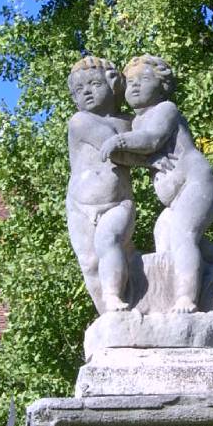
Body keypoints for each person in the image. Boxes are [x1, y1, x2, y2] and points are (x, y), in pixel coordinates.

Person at [101, 55, 213, 313]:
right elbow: (135, 154)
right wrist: (124, 153)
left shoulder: (165, 109)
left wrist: (118, 142)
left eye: (144, 79)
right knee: (165, 238)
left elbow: (151, 139)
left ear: (162, 86)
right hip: (174, 199)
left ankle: (186, 298)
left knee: (182, 235)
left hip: (196, 181)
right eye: (130, 81)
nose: (135, 85)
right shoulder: (136, 122)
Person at [66, 56, 135, 312]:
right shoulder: (80, 121)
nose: (86, 92)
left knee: (109, 240)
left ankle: (114, 296)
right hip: (79, 206)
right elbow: (117, 151)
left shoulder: (130, 122)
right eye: (78, 89)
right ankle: (107, 315)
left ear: (113, 84)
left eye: (94, 84)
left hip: (118, 203)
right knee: (90, 264)